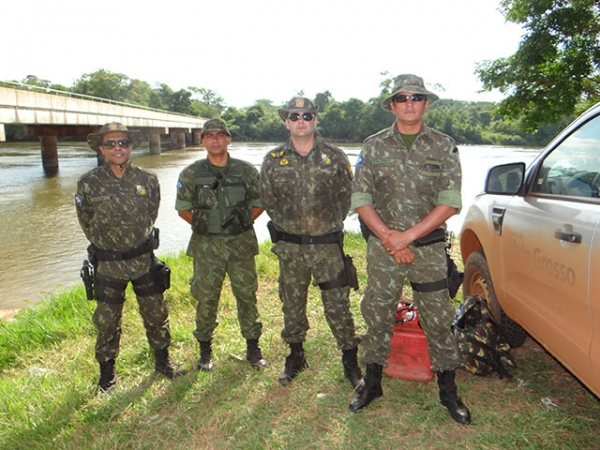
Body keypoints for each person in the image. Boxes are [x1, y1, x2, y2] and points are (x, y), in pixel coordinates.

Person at [349, 74, 471, 425]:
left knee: (438, 318)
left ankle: (448, 390)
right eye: (401, 97)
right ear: (392, 105)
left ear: (426, 103)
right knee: (377, 312)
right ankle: (371, 383)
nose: (409, 103)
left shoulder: (443, 146)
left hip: (429, 251)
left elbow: (450, 202)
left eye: (416, 97)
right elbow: (361, 198)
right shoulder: (373, 146)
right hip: (383, 249)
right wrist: (390, 237)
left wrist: (408, 237)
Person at [259, 97, 362, 388]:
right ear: (286, 122)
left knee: (338, 304)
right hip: (290, 247)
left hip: (328, 246)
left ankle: (349, 358)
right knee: (292, 304)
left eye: (306, 115)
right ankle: (295, 355)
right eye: (294, 116)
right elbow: (268, 200)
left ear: (315, 119)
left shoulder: (335, 156)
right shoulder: (273, 159)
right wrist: (292, 227)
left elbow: (346, 197)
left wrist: (324, 225)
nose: (300, 120)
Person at [75, 122, 185, 393]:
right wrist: (109, 245)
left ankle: (163, 363)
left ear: (132, 146)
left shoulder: (147, 180)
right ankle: (107, 376)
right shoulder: (88, 183)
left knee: (156, 314)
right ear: (101, 148)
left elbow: (151, 213)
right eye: (110, 144)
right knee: (107, 321)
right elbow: (86, 221)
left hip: (142, 261)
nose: (117, 148)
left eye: (123, 143)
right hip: (108, 265)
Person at [175, 118, 267, 372]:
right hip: (207, 249)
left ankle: (253, 348)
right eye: (209, 136)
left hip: (241, 246)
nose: (215, 140)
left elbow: (260, 202)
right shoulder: (191, 173)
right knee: (206, 298)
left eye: (220, 135)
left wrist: (243, 221)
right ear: (203, 141)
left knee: (247, 296)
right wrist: (207, 226)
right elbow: (183, 208)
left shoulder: (246, 171)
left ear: (228, 139)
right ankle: (205, 351)